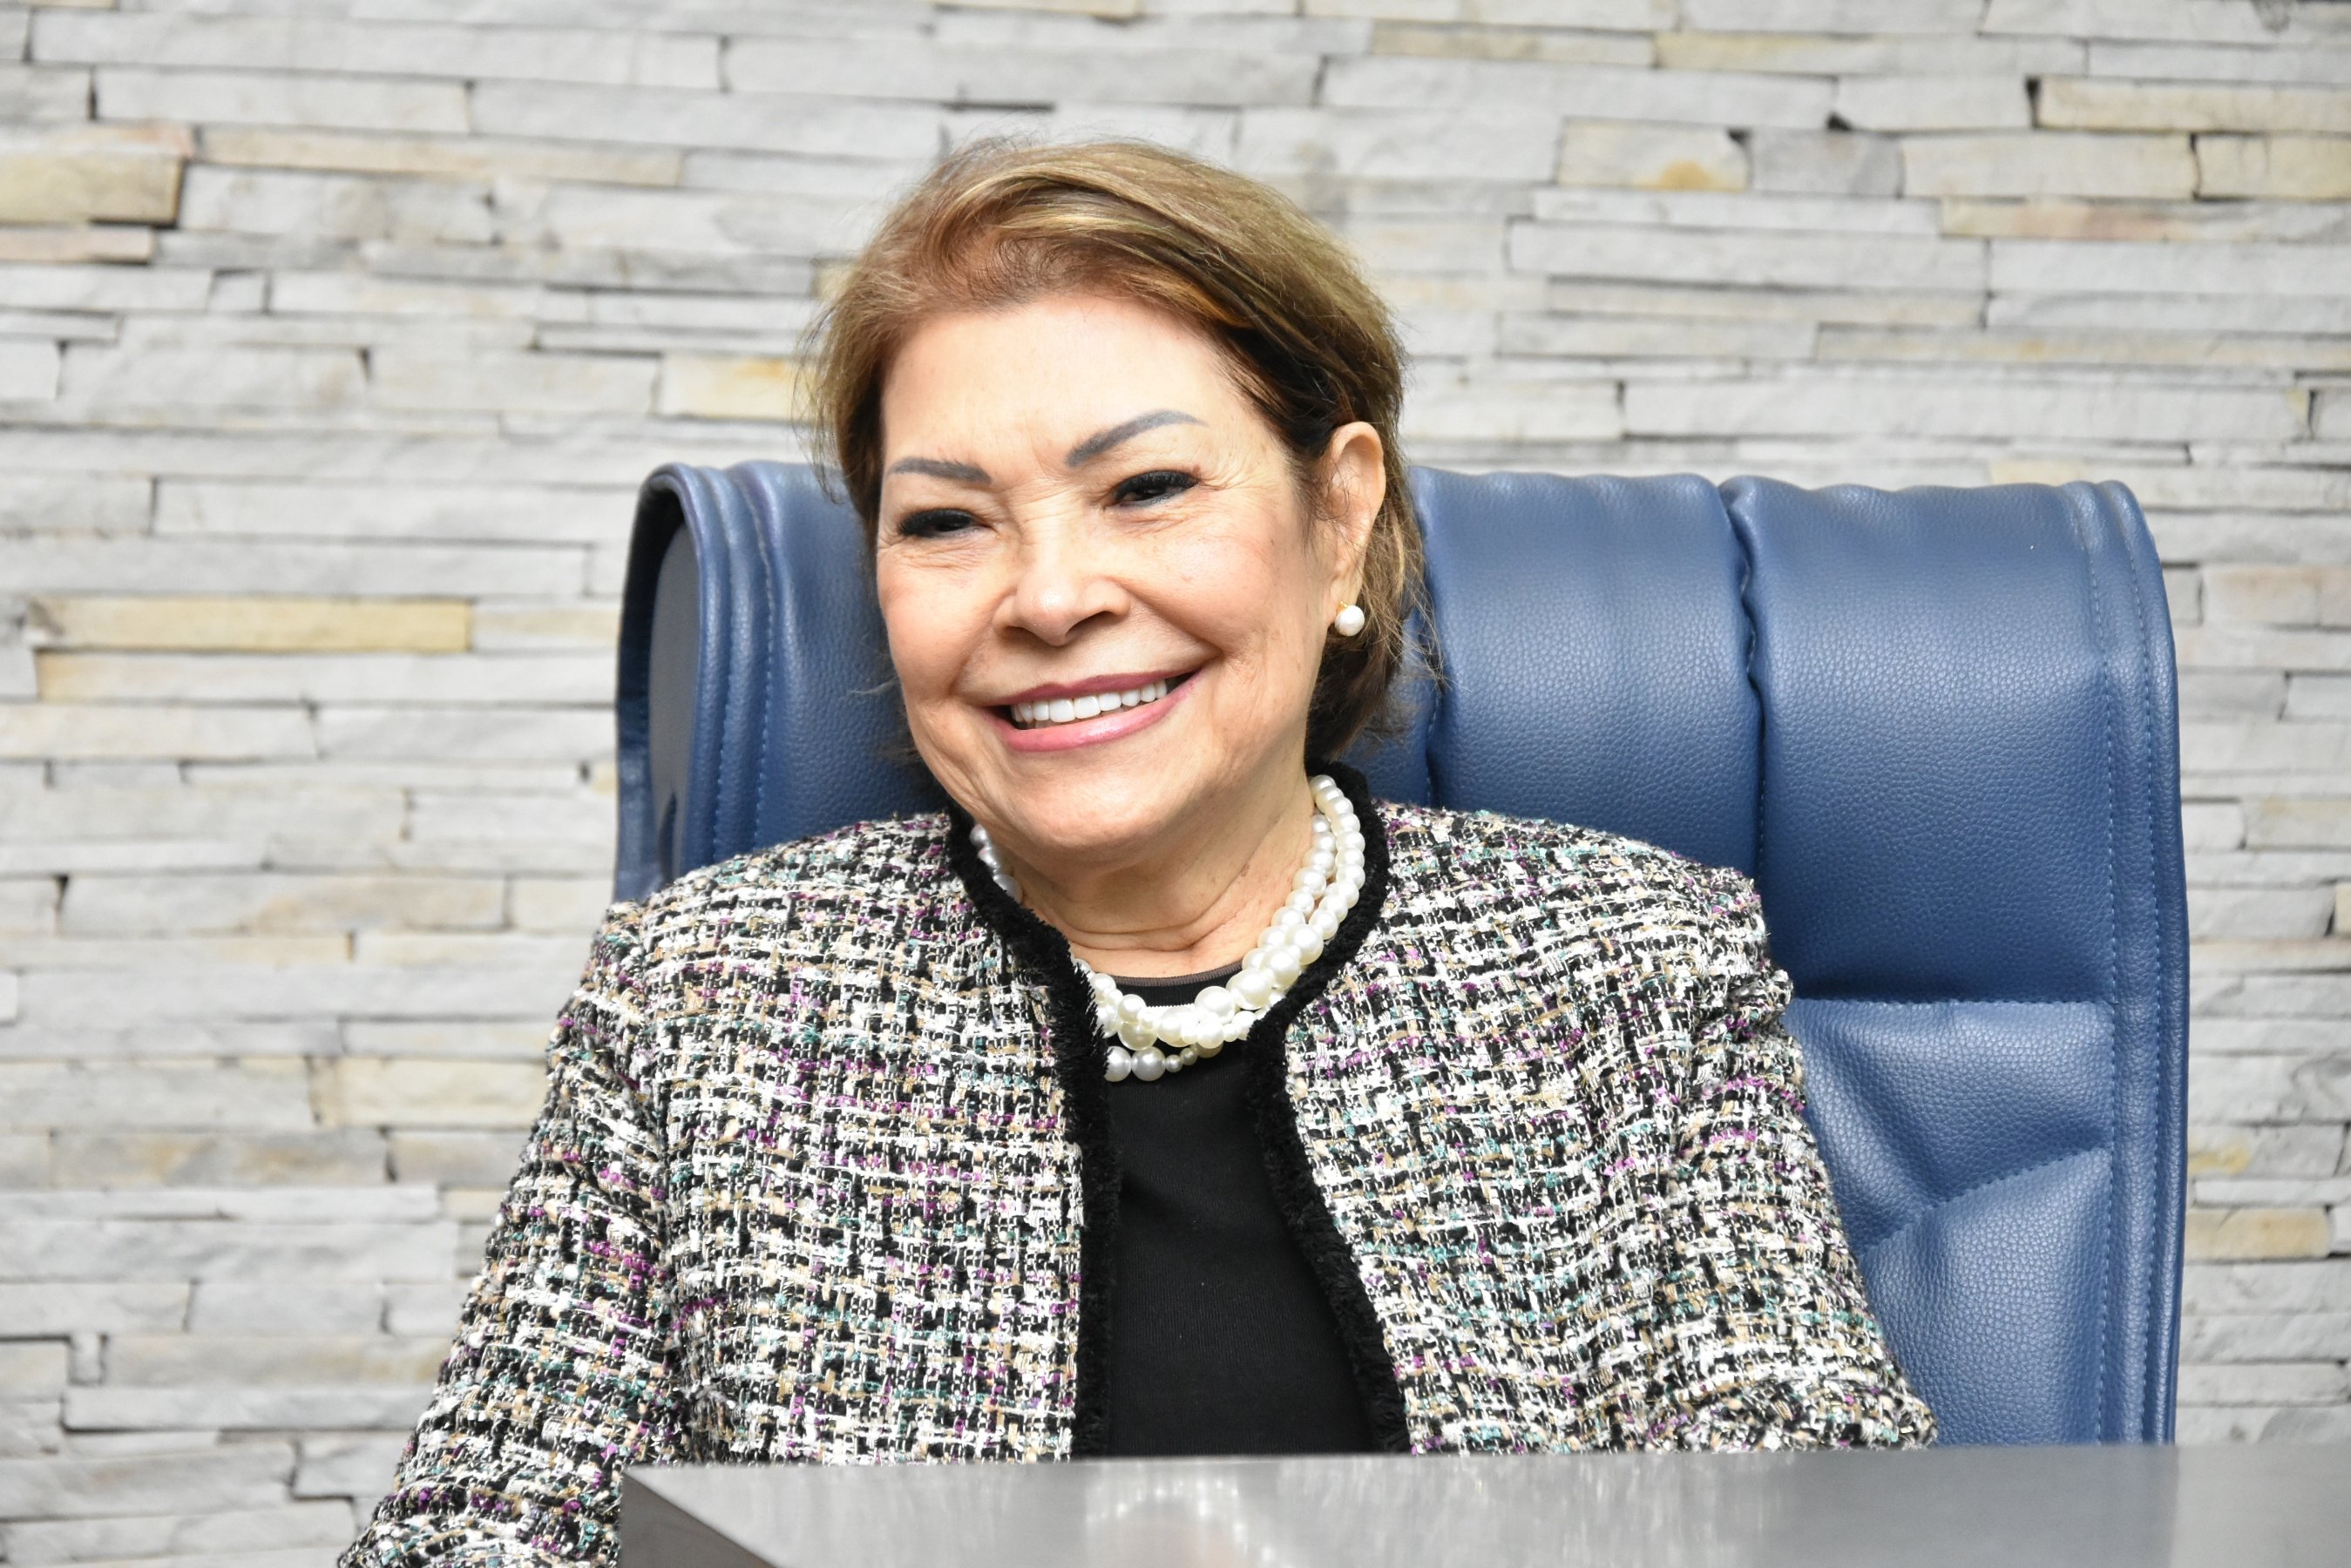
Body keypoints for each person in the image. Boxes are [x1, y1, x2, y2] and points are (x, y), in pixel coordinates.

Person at [343, 139, 1932, 1567]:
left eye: (1148, 488)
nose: (1047, 597)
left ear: (1338, 519)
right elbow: (476, 1534)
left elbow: (1820, 1515)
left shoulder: (1630, 966)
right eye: (945, 521)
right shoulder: (700, 999)